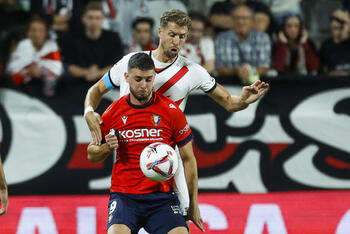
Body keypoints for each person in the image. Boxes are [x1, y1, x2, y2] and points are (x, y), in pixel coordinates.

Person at [84, 9, 268, 230]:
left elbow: (229, 101)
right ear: (160, 32)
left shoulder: (192, 71)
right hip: (130, 159)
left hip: (167, 161)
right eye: (172, 34)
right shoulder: (130, 64)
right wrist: (88, 111)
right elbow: (96, 90)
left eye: (182, 36)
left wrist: (245, 100)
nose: (177, 41)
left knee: (181, 223)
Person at [87, 53, 203, 233]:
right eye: (138, 79)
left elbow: (188, 158)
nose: (143, 85)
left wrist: (193, 204)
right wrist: (106, 147)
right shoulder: (113, 112)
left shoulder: (171, 111)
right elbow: (91, 155)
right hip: (125, 197)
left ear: (154, 76)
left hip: (162, 198)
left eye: (148, 79)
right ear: (127, 77)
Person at [67, 1, 123, 83]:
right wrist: (87, 73)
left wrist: (97, 74)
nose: (94, 21)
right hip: (78, 84)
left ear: (102, 19)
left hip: (106, 83)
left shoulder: (113, 38)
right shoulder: (73, 38)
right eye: (90, 17)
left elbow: (117, 66)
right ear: (83, 18)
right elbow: (70, 67)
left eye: (97, 18)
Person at [6, 15, 63, 96]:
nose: (37, 34)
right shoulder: (23, 45)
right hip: (21, 89)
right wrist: (28, 71)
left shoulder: (52, 47)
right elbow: (10, 68)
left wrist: (42, 72)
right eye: (33, 30)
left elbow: (57, 71)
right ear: (28, 33)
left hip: (46, 93)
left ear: (46, 33)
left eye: (41, 30)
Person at [215, 4, 271, 84]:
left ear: (252, 21)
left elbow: (264, 67)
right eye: (237, 18)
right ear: (232, 20)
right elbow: (220, 67)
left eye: (245, 18)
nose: (240, 21)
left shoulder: (263, 38)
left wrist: (249, 71)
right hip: (228, 85)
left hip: (256, 86)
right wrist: (236, 71)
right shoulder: (221, 38)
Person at [319, 9, 350, 75]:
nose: (340, 30)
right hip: (335, 82)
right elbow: (320, 71)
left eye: (344, 24)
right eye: (335, 28)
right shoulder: (326, 46)